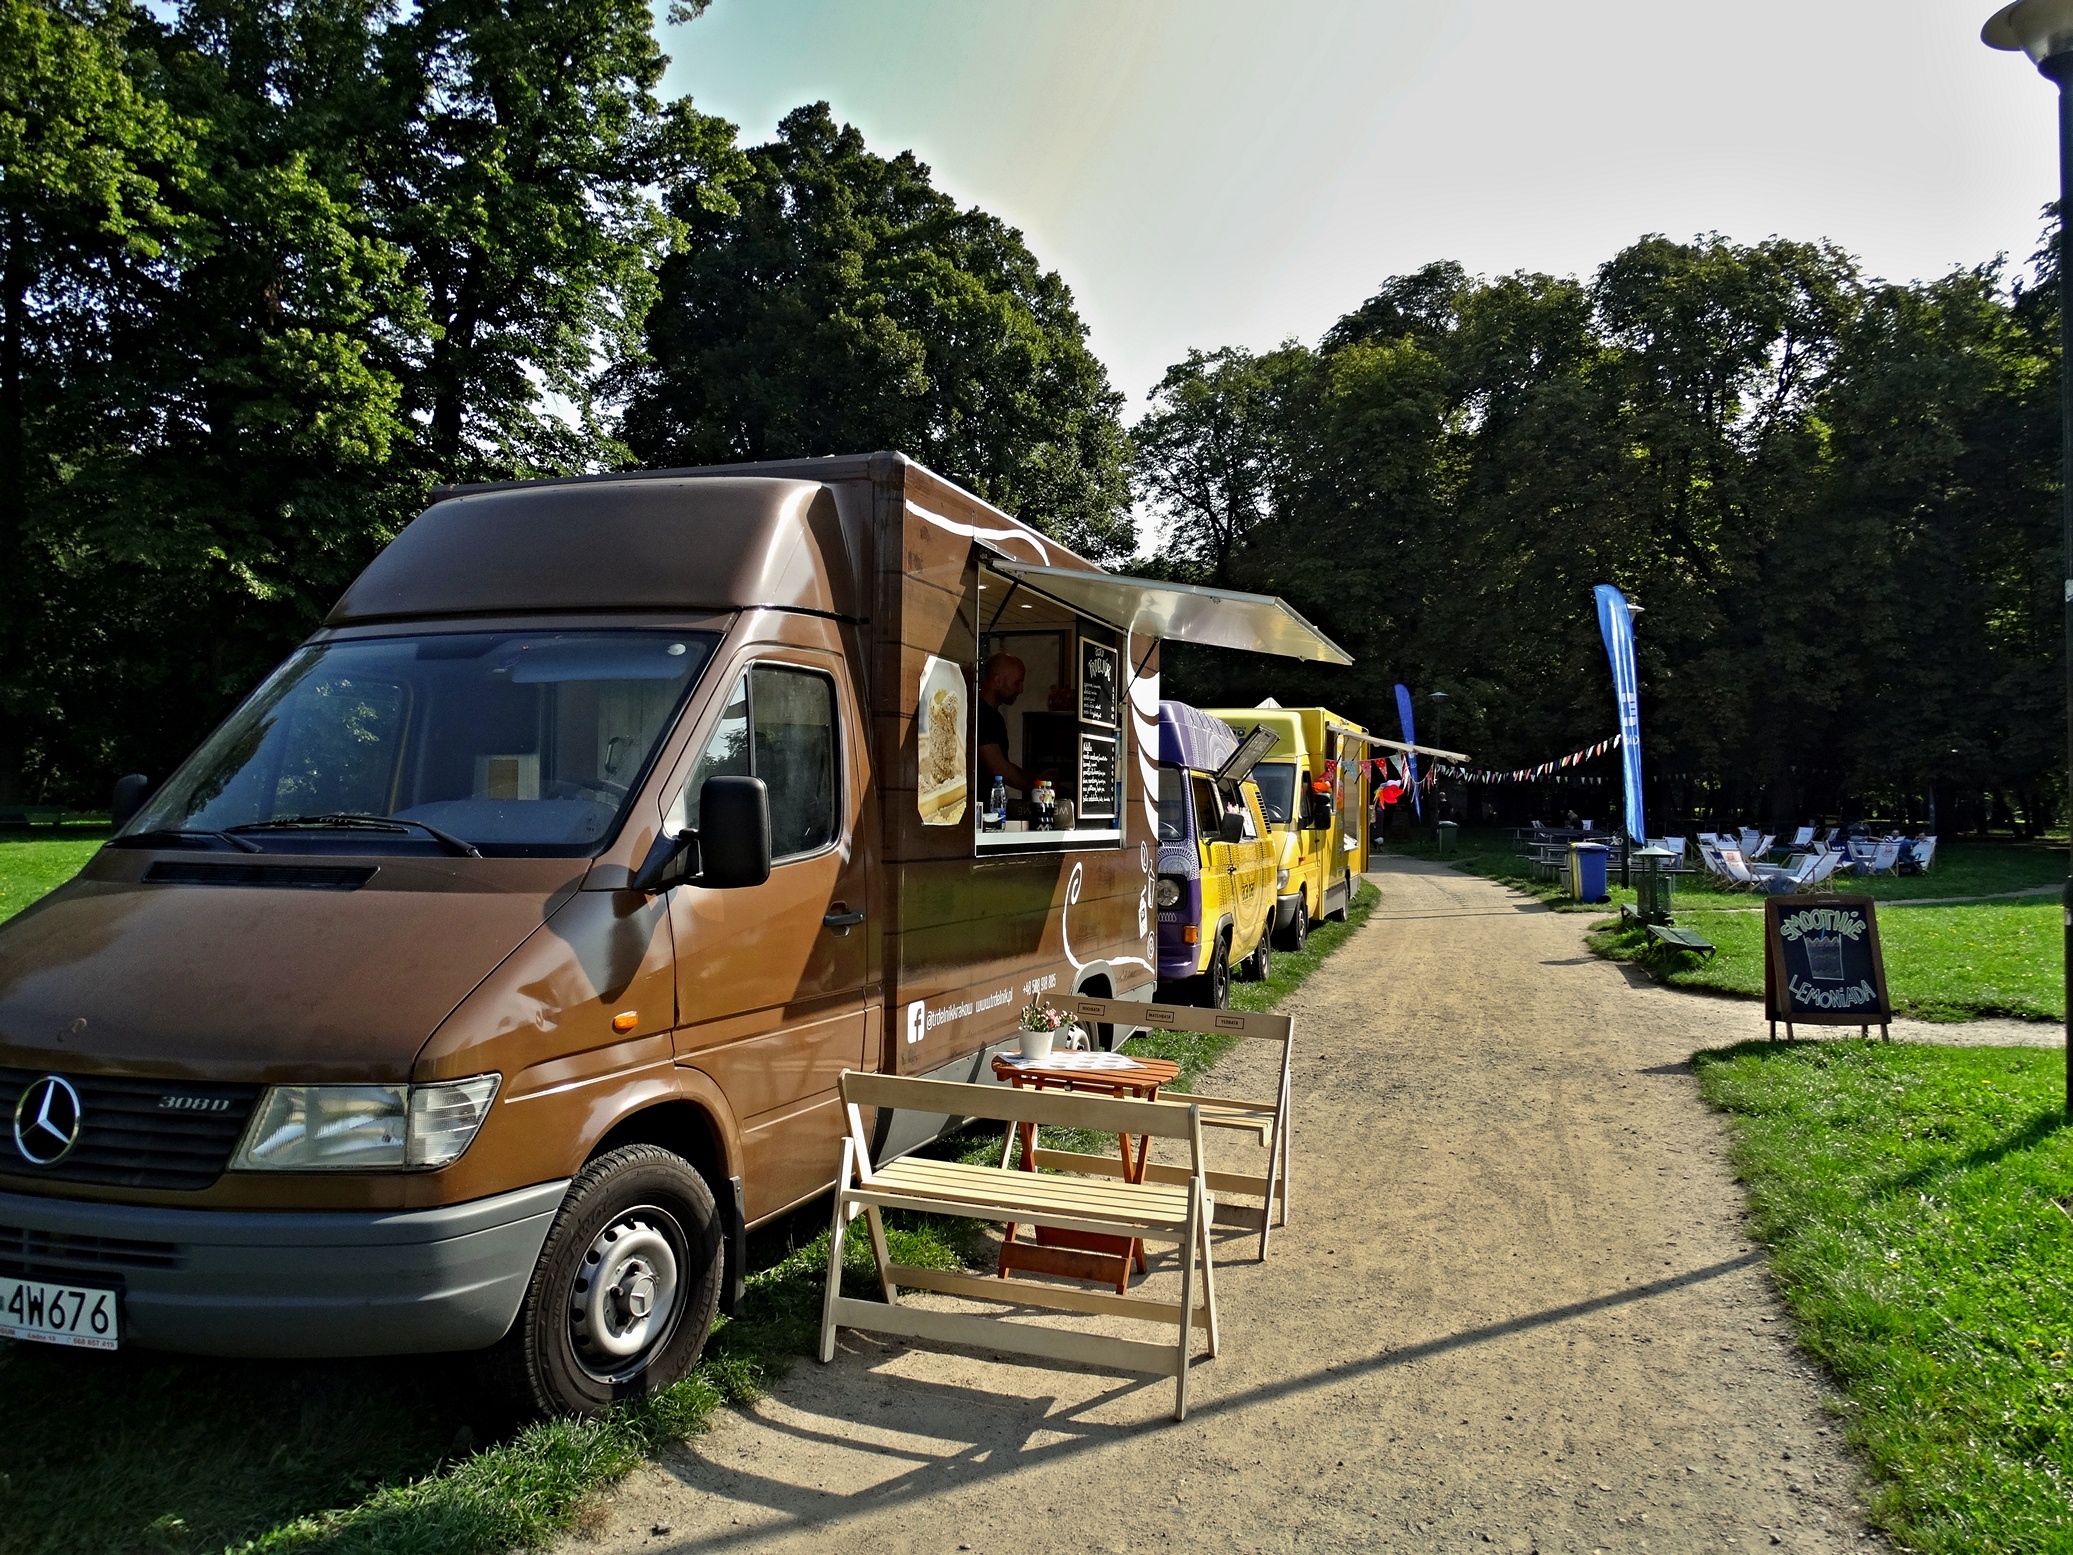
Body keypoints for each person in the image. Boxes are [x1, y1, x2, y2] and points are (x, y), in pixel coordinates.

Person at [976, 653, 1043, 795]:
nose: (1021, 690)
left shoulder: (994, 717)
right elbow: (1000, 769)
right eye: (1017, 683)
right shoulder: (981, 714)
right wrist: (1040, 786)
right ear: (998, 681)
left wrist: (1038, 779)